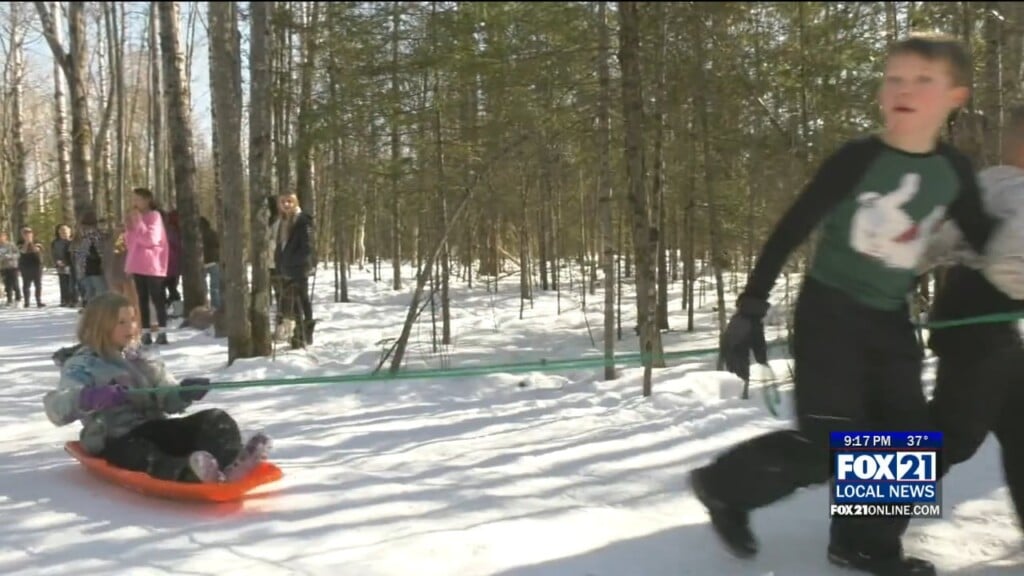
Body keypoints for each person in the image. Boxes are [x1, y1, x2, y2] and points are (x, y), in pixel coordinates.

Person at [689, 35, 1001, 576]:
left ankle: (864, 547)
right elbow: (794, 226)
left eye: (921, 80)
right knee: (832, 443)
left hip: (889, 320)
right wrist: (751, 305)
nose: (903, 89)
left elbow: (983, 238)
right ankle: (723, 487)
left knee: (907, 443)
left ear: (955, 96)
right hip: (829, 315)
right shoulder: (859, 160)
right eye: (894, 78)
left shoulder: (953, 171)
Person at [918, 104, 1024, 529]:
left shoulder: (987, 184)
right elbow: (1008, 266)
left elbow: (934, 242)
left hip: (984, 324)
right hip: (980, 329)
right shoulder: (1011, 190)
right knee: (951, 436)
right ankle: (859, 526)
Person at [45, 292, 272, 483]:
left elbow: (166, 394)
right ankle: (190, 473)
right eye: (121, 322)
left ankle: (232, 463)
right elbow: (57, 407)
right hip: (117, 439)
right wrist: (89, 398)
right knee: (141, 453)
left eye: (133, 319)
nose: (131, 327)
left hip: (156, 428)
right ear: (100, 326)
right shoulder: (82, 364)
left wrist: (182, 393)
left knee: (215, 418)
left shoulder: (141, 357)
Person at [124, 187, 170, 345]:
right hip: (137, 264)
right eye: (133, 199)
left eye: (138, 199)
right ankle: (145, 332)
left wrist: (138, 223)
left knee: (157, 298)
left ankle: (162, 331)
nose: (135, 202)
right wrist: (129, 229)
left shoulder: (154, 216)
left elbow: (150, 239)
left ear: (147, 200)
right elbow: (131, 243)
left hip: (152, 264)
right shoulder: (137, 217)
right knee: (141, 299)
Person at [272, 192, 315, 348]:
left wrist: (294, 262)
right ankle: (299, 333)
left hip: (299, 268)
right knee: (292, 302)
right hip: (285, 268)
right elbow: (281, 246)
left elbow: (307, 247)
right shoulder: (282, 222)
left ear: (295, 202)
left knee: (302, 300)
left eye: (289, 201)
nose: (286, 205)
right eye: (283, 202)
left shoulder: (303, 220)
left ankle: (306, 333)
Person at [18, 226, 44, 308]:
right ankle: (26, 302)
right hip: (25, 266)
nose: (27, 235)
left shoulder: (37, 241)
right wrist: (26, 242)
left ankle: (39, 301)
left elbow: (37, 250)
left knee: (38, 284)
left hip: (36, 265)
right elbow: (23, 251)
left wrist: (31, 242)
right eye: (25, 233)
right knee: (26, 284)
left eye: (29, 233)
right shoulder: (19, 242)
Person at [52, 224, 76, 307]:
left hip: (72, 265)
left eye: (65, 231)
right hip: (61, 265)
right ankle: (64, 300)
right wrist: (57, 261)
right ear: (58, 232)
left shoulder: (73, 241)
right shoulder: (55, 242)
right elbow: (54, 254)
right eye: (61, 231)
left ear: (69, 232)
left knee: (72, 283)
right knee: (63, 283)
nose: (64, 233)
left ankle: (73, 300)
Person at [0, 231, 21, 306]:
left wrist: (10, 256)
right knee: (7, 284)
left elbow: (18, 254)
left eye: (2, 236)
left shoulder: (10, 245)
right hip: (3, 267)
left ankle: (18, 299)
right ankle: (9, 300)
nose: (1, 238)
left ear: (5, 237)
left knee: (15, 283)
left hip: (13, 266)